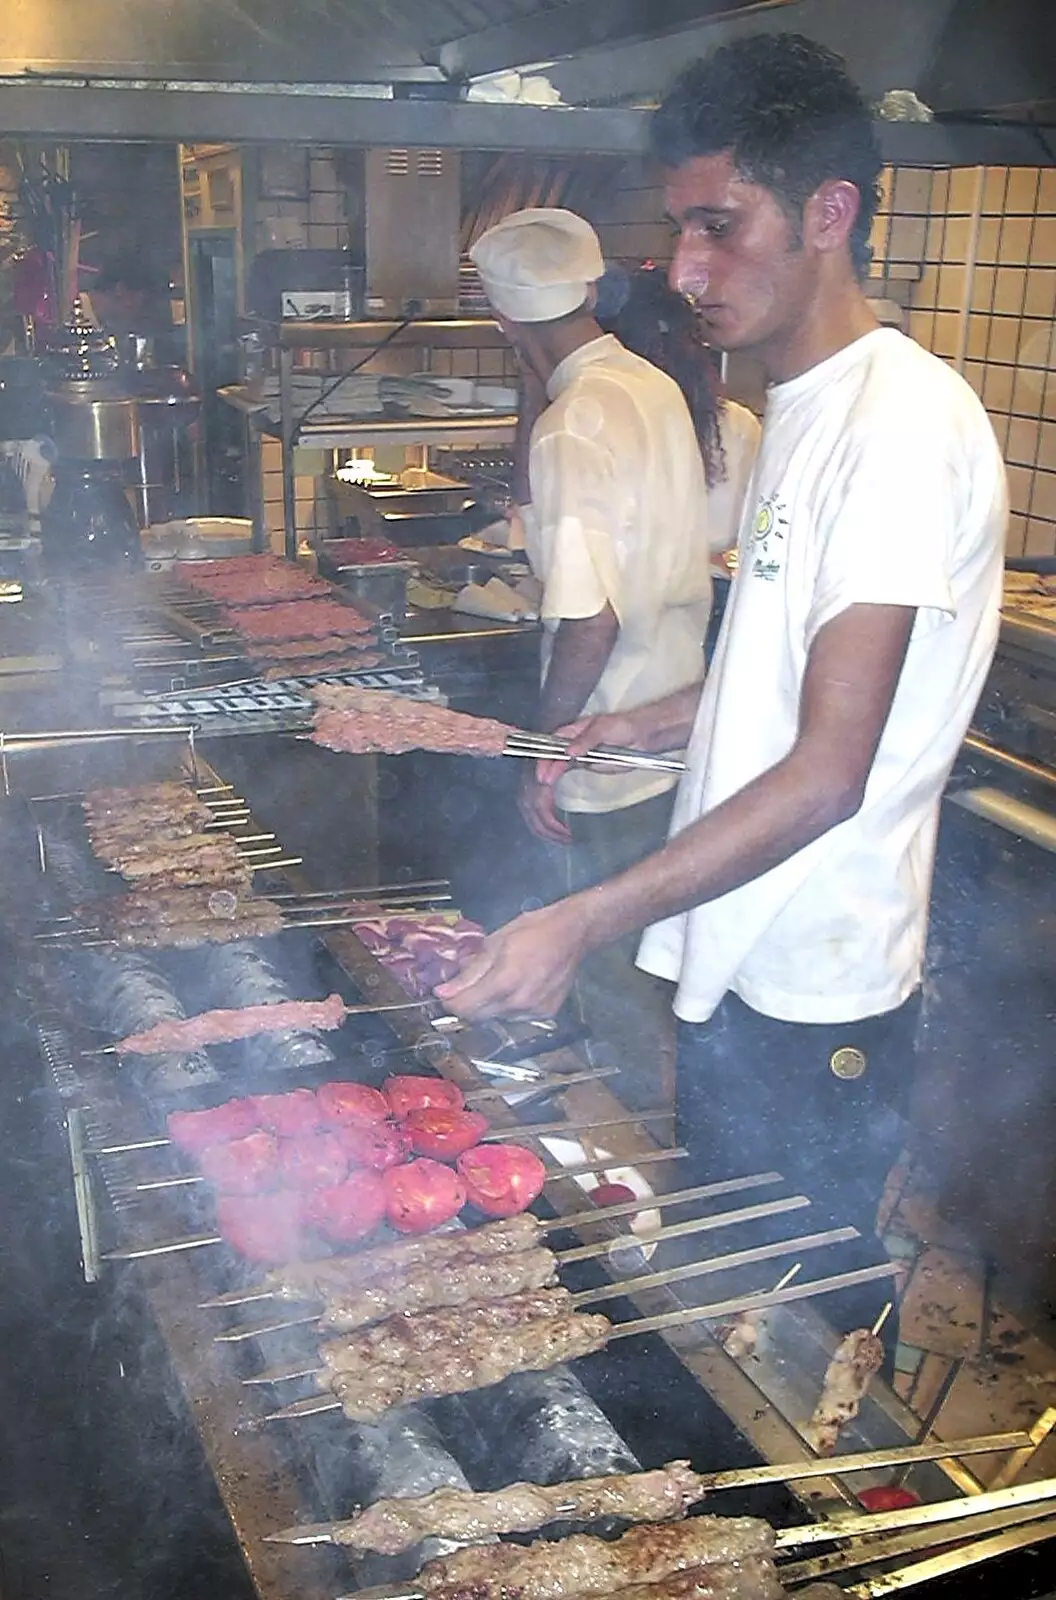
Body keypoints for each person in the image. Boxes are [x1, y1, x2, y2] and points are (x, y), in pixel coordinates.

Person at [440, 35, 1008, 1253]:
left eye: (721, 226)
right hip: (739, 953)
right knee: (729, 1299)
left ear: (828, 213)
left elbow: (829, 768)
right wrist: (641, 722)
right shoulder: (800, 409)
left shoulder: (897, 427)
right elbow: (783, 676)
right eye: (677, 231)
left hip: (816, 979)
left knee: (798, 1329)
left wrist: (582, 918)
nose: (686, 270)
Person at [469, 209, 753, 1115]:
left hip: (607, 745)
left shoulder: (572, 426)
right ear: (590, 291)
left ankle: (632, 1182)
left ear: (505, 317)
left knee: (609, 977)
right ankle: (658, 1143)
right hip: (675, 721)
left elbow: (587, 621)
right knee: (658, 968)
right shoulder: (650, 384)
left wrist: (542, 751)